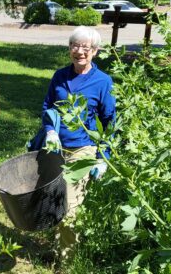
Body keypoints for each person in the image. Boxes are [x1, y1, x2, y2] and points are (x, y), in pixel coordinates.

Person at [41, 26, 116, 260]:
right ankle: (56, 250)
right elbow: (47, 107)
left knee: (70, 208)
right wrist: (50, 131)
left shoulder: (103, 82)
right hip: (56, 149)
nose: (80, 51)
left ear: (95, 51)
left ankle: (67, 260)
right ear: (69, 48)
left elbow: (110, 122)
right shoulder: (60, 76)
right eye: (75, 46)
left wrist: (104, 157)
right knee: (54, 201)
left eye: (86, 47)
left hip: (83, 149)